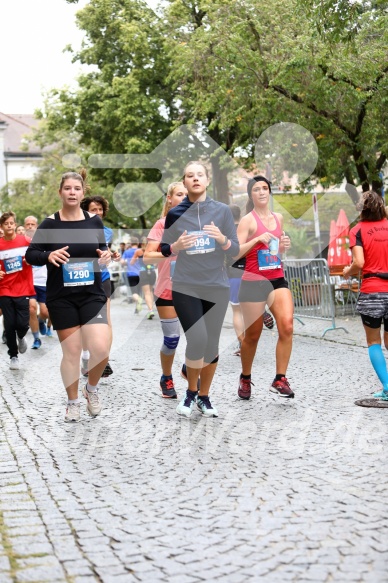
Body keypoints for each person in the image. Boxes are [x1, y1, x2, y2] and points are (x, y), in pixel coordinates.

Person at [26, 169, 112, 423]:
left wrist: (105, 257)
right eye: (68, 188)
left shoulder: (93, 221)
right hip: (61, 297)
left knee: (101, 349)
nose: (72, 192)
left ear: (82, 192)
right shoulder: (50, 223)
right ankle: (73, 402)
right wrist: (47, 256)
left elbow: (102, 251)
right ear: (60, 192)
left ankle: (91, 390)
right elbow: (32, 254)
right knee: (72, 352)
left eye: (77, 188)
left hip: (91, 293)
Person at [161, 161, 239, 418]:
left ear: (207, 180)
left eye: (200, 175)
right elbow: (163, 248)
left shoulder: (222, 211)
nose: (195, 179)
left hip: (216, 285)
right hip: (186, 285)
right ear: (184, 182)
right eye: (190, 176)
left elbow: (236, 250)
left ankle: (204, 396)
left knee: (212, 345)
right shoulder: (175, 214)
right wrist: (176, 246)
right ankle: (191, 392)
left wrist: (222, 240)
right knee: (197, 339)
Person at [235, 175, 293, 400]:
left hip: (277, 278)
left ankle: (280, 378)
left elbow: (277, 249)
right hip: (252, 281)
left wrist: (284, 246)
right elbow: (236, 252)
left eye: (265, 188)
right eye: (257, 189)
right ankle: (246, 377)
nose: (261, 192)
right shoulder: (247, 221)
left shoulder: (278, 217)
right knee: (252, 336)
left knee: (286, 326)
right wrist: (257, 240)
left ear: (269, 192)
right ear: (251, 194)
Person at [144, 182, 187, 398]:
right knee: (172, 340)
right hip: (168, 289)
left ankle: (189, 365)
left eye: (187, 194)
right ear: (170, 199)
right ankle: (166, 376)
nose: (184, 197)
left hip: (195, 289)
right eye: (179, 194)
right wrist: (172, 250)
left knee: (201, 336)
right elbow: (147, 257)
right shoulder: (162, 225)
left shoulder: (200, 223)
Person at [344, 190, 388, 401]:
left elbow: (359, 263)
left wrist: (347, 271)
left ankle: (387, 387)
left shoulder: (357, 230)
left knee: (374, 342)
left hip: (372, 291)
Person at [80, 195, 120, 378]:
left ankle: (104, 359)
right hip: (82, 278)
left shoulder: (108, 231)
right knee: (85, 322)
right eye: (92, 209)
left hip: (102, 278)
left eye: (99, 209)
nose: (97, 213)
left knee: (105, 321)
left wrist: (113, 255)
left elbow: (105, 253)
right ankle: (87, 355)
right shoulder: (75, 230)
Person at [0, 211, 34, 369]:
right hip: (4, 288)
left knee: (22, 323)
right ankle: (13, 355)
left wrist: (31, 259)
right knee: (9, 323)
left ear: (15, 224)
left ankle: (21, 336)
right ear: (2, 226)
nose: (9, 226)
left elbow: (36, 255)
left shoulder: (25, 241)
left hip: (23, 288)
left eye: (11, 223)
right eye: (6, 224)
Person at [24, 215, 51, 348]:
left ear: (37, 226)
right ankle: (36, 339)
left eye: (32, 224)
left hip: (44, 282)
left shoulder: (45, 241)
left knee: (45, 312)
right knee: (32, 308)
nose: (30, 226)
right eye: (27, 224)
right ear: (24, 227)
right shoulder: (22, 243)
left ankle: (41, 321)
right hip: (30, 283)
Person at [130, 237, 156, 319]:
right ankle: (151, 309)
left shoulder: (138, 251)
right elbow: (157, 262)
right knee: (151, 292)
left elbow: (131, 262)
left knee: (147, 293)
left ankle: (151, 310)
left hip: (143, 272)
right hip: (152, 271)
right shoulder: (153, 251)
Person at [121, 237, 143, 312]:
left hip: (131, 274)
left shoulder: (127, 252)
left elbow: (122, 262)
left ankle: (139, 300)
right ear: (137, 243)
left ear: (130, 243)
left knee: (134, 292)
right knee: (139, 291)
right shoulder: (141, 251)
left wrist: (126, 263)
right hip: (141, 273)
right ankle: (137, 308)